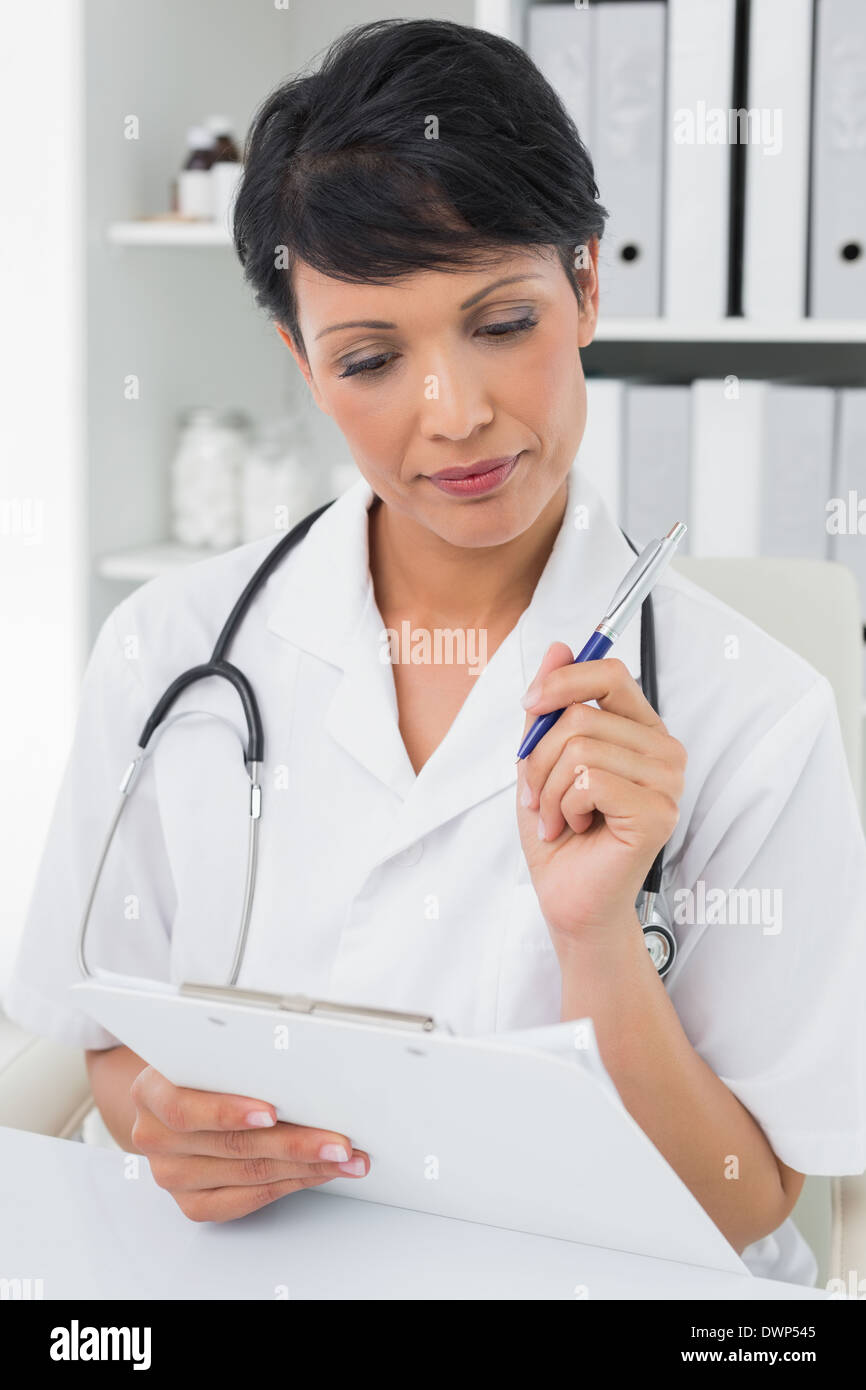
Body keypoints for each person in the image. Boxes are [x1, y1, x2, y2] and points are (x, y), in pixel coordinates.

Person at [4, 18, 865, 1286]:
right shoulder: (169, 651)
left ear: (584, 285)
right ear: (300, 362)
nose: (451, 413)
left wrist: (596, 938)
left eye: (500, 320)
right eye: (368, 357)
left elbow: (744, 1202)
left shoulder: (756, 712)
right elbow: (106, 1032)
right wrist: (167, 1128)